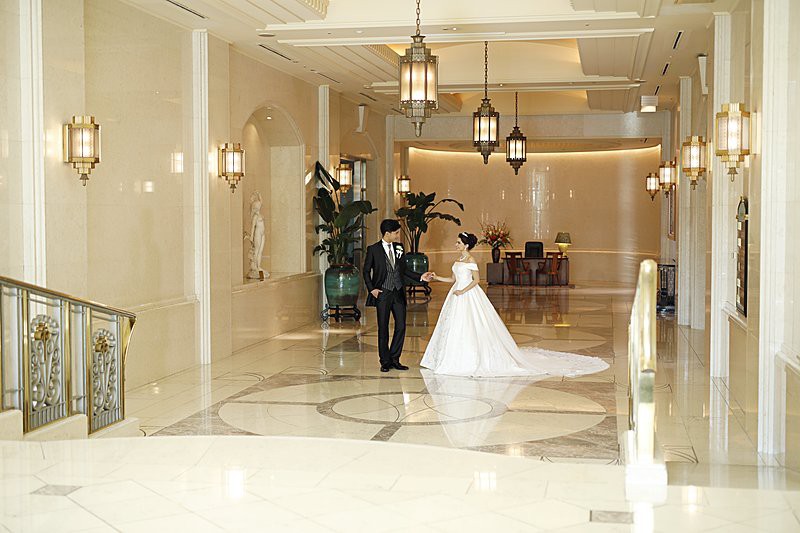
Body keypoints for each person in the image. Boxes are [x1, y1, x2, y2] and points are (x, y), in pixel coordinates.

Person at [420, 232, 608, 377]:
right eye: (456, 242)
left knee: (471, 325)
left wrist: (463, 291)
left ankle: (469, 358)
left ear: (466, 245)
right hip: (456, 295)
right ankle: (450, 357)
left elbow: (476, 280)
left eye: (458, 242)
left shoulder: (470, 259)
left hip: (467, 295)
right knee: (454, 326)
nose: (456, 244)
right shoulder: (458, 260)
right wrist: (435, 277)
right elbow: (453, 279)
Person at [363, 219, 434, 373]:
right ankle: (385, 361)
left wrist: (421, 276)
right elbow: (366, 271)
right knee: (383, 328)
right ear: (387, 233)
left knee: (401, 326)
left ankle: (395, 359)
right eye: (395, 233)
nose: (397, 236)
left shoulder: (399, 247)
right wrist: (372, 289)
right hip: (383, 293)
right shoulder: (373, 249)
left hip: (398, 293)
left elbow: (404, 270)